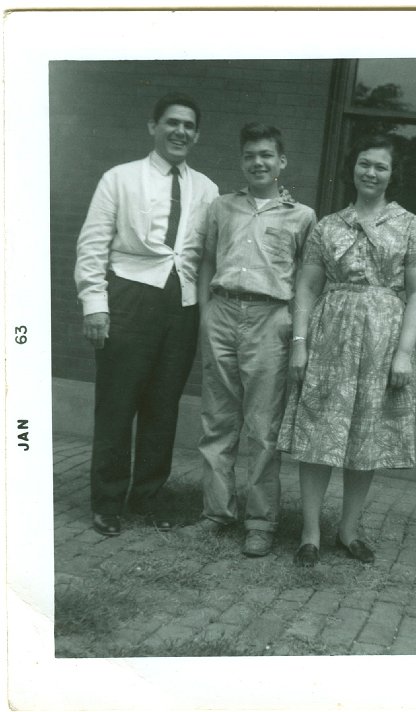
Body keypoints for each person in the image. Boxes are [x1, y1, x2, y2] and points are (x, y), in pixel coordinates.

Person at [278, 134, 416, 567]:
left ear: (391, 175)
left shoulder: (410, 226)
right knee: (319, 432)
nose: (370, 172)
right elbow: (307, 287)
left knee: (366, 433)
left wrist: (404, 351)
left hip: (383, 340)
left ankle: (348, 530)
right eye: (364, 163)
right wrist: (299, 344)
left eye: (380, 167)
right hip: (330, 337)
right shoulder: (327, 226)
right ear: (353, 167)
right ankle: (310, 533)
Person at [75, 93, 219, 537]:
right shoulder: (119, 178)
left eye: (189, 126)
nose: (180, 131)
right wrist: (95, 305)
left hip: (182, 306)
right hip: (129, 298)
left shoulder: (207, 189)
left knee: (162, 406)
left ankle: (148, 497)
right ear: (153, 126)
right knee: (118, 404)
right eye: (172, 123)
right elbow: (92, 245)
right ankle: (107, 502)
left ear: (196, 134)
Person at [195, 123, 317, 557]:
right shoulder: (222, 207)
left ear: (281, 162)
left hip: (270, 318)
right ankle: (216, 512)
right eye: (250, 155)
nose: (258, 162)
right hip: (223, 313)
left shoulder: (301, 216)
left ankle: (261, 521)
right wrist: (207, 312)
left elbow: (306, 280)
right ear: (242, 161)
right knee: (218, 420)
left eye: (267, 155)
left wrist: (295, 329)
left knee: (264, 426)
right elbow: (207, 259)